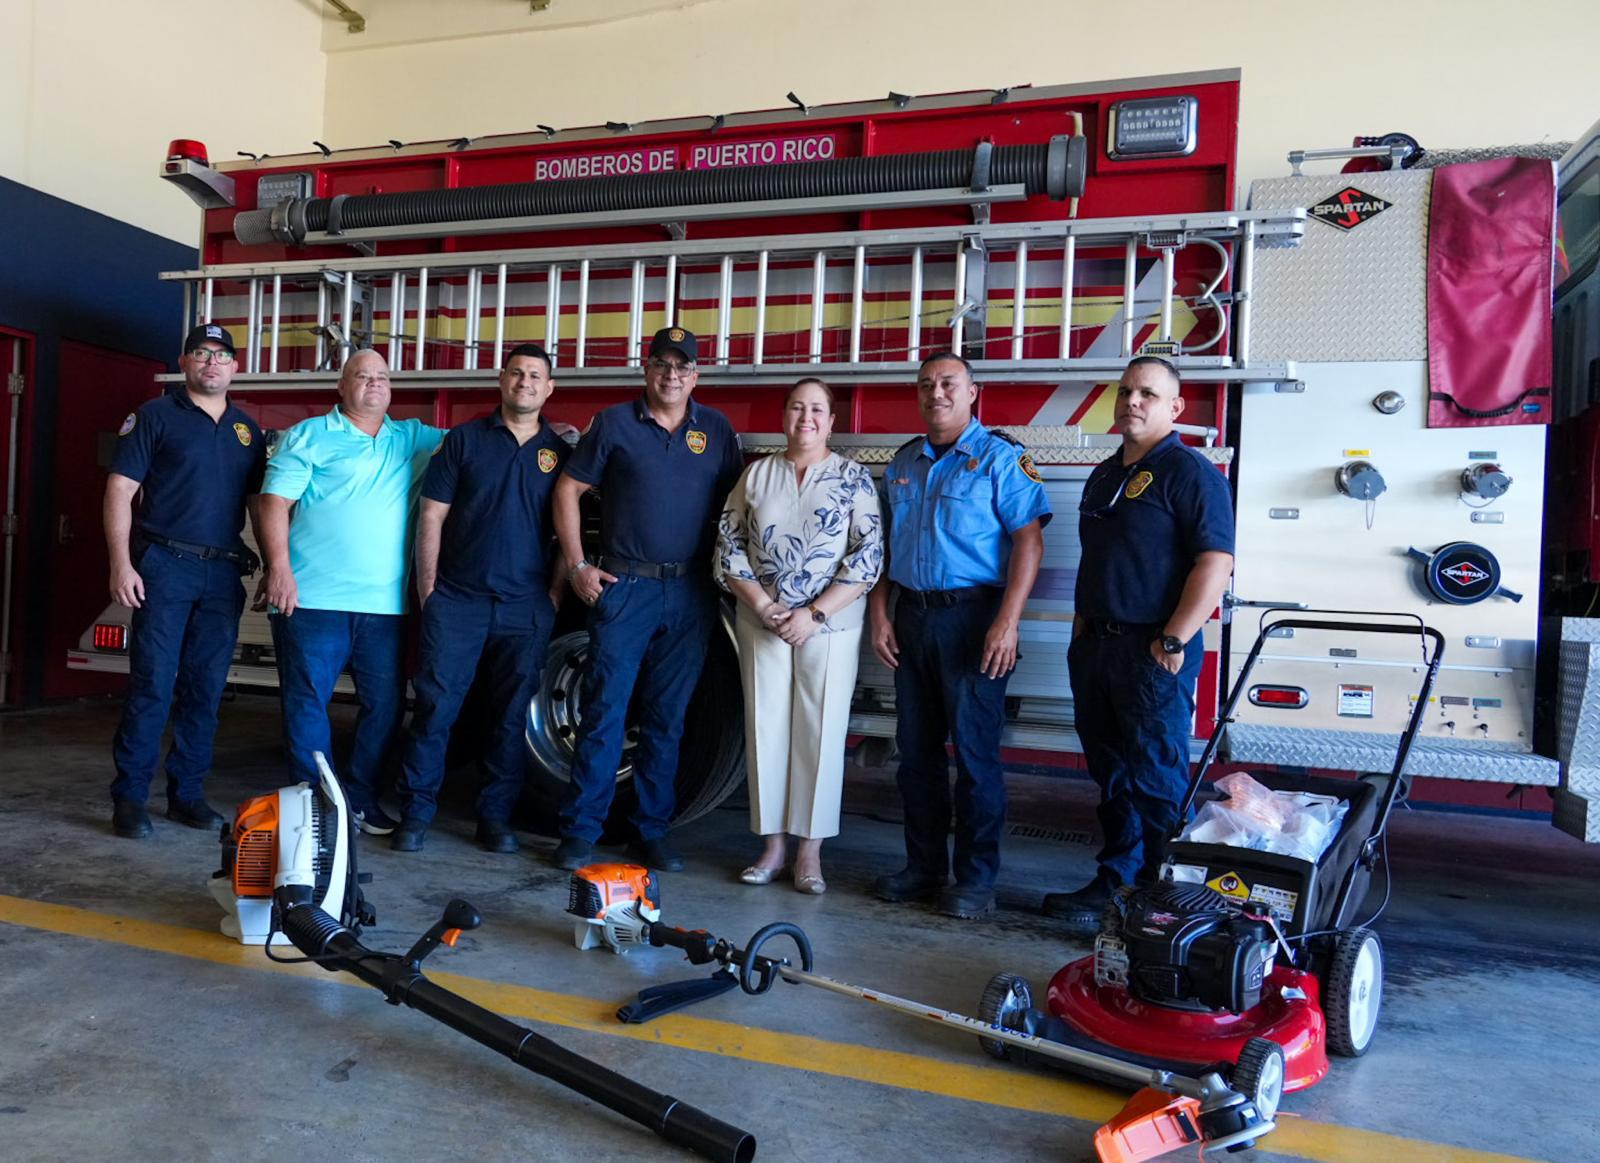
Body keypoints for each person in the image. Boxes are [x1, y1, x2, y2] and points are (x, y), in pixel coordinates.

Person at [1042, 355, 1235, 932]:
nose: (1132, 401)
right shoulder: (1105, 474)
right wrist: (1081, 629)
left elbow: (1215, 563)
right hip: (1097, 648)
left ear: (1175, 407)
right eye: (1126, 391)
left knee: (1156, 778)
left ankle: (1166, 898)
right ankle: (1117, 880)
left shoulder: (1191, 473)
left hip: (1154, 649)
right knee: (1112, 774)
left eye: (1147, 393)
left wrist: (1173, 639)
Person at [550, 326, 743, 872]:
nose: (671, 375)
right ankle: (580, 831)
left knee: (668, 718)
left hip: (690, 592)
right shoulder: (614, 423)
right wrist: (577, 565)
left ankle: (650, 832)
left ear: (696, 376)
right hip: (625, 589)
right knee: (604, 712)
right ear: (647, 368)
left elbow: (736, 506)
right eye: (662, 364)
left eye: (682, 367)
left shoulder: (716, 429)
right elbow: (567, 489)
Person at [868, 352, 1050, 918]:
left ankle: (975, 881)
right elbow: (886, 549)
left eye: (949, 383)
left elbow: (1029, 542)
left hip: (975, 621)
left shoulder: (1000, 458)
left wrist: (1008, 621)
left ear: (973, 392)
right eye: (926, 384)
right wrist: (879, 614)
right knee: (916, 755)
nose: (936, 393)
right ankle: (923, 868)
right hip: (912, 618)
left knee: (974, 757)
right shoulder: (903, 462)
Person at [390, 345, 569, 853]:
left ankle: (495, 819)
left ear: (549, 388)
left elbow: (567, 531)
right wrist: (429, 590)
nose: (525, 382)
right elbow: (432, 515)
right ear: (501, 380)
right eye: (517, 373)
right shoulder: (464, 441)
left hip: (524, 608)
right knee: (435, 711)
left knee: (509, 719)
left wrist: (554, 595)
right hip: (458, 602)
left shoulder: (559, 453)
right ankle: (415, 814)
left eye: (535, 375)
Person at [258, 349, 444, 835]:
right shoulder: (310, 435)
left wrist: (549, 434)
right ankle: (317, 807)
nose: (374, 383)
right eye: (363, 376)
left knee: (385, 706)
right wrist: (279, 569)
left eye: (382, 377)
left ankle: (359, 799)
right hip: (310, 599)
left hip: (384, 607)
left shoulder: (412, 438)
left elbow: (474, 445)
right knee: (307, 703)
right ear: (342, 386)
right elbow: (273, 503)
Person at [714, 377, 883, 894]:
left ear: (831, 422)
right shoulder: (756, 475)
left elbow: (868, 558)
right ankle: (772, 846)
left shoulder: (854, 479)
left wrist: (813, 613)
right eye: (796, 408)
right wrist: (765, 606)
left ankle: (809, 852)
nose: (805, 418)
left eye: (816, 410)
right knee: (765, 727)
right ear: (783, 416)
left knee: (820, 731)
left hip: (829, 626)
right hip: (761, 621)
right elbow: (728, 547)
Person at [105, 324, 265, 838]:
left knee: (206, 690)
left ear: (235, 367)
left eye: (221, 355)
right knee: (153, 686)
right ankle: (130, 799)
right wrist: (121, 564)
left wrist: (272, 565)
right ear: (184, 362)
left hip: (222, 573)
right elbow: (119, 490)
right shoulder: (154, 416)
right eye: (201, 353)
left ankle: (186, 795)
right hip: (165, 566)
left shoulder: (247, 431)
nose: (211, 362)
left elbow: (259, 506)